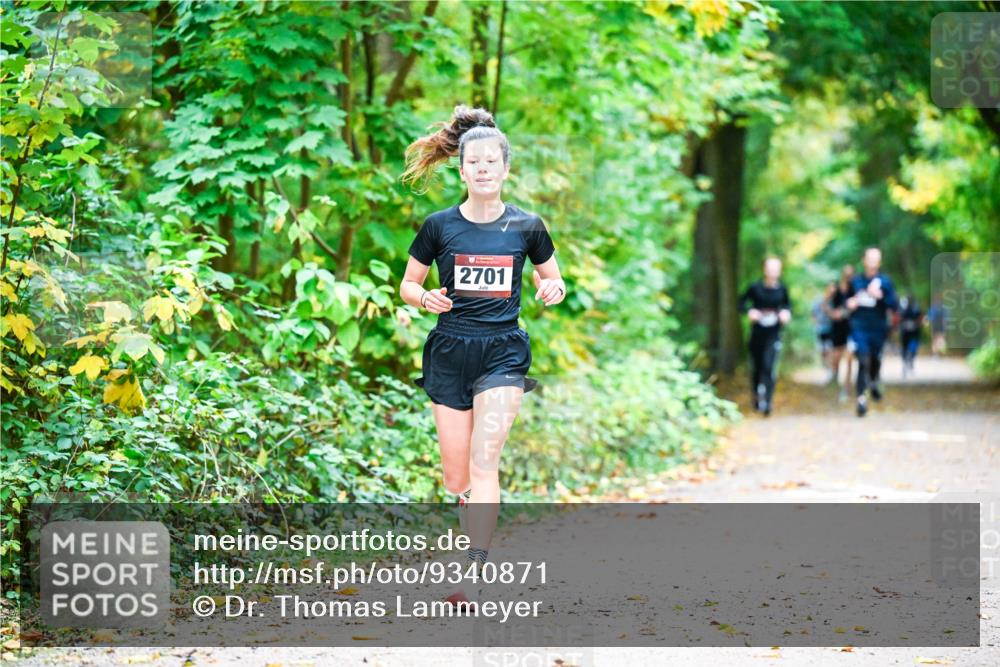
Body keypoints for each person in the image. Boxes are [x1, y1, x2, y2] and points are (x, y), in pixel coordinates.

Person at [398, 105, 566, 606]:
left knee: (484, 460)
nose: (485, 168)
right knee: (457, 476)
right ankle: (471, 536)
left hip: (502, 353)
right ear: (463, 168)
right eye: (476, 162)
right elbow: (408, 284)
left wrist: (552, 289)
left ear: (505, 168)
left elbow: (552, 275)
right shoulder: (438, 226)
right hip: (449, 350)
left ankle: (474, 571)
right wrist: (423, 297)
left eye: (494, 161)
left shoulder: (527, 226)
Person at [846, 247, 899, 417]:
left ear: (880, 262)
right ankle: (861, 399)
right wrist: (850, 303)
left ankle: (874, 382)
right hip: (859, 327)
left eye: (876, 259)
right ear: (864, 260)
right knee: (862, 359)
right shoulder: (855, 281)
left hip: (878, 328)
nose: (872, 262)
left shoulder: (885, 281)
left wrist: (880, 296)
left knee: (874, 360)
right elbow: (845, 301)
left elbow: (894, 305)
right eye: (870, 258)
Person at [739, 257, 792, 417]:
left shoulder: (782, 289)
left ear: (780, 271)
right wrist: (750, 312)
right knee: (758, 367)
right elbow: (741, 303)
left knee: (769, 367)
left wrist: (785, 313)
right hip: (757, 334)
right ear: (764, 270)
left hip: (774, 334)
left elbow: (788, 305)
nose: (772, 272)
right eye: (770, 268)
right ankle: (756, 396)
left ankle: (768, 402)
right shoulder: (755, 287)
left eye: (776, 269)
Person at [829, 264, 855, 402]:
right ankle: (835, 376)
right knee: (837, 356)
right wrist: (832, 313)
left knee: (849, 357)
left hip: (851, 326)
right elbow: (824, 304)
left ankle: (846, 387)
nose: (849, 276)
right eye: (846, 274)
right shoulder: (834, 288)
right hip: (837, 326)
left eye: (851, 274)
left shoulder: (855, 288)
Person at [811, 283, 836, 383]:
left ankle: (832, 372)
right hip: (820, 330)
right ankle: (828, 370)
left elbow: (834, 315)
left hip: (831, 330)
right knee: (823, 352)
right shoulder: (818, 300)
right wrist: (815, 323)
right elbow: (813, 314)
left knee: (830, 351)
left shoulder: (833, 302)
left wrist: (828, 310)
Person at [899, 293, 923, 377]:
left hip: (913, 332)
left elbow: (920, 318)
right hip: (907, 332)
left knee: (911, 348)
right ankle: (907, 363)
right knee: (906, 349)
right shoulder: (904, 308)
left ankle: (909, 361)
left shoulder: (915, 308)